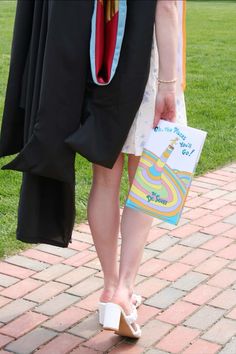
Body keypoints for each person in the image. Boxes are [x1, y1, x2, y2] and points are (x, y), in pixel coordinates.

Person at [87, 0, 187, 338]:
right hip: (148, 64)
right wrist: (170, 85)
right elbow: (167, 7)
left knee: (104, 179)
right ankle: (124, 291)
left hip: (104, 59)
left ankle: (109, 287)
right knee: (145, 181)